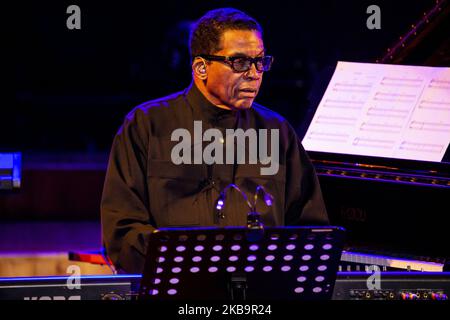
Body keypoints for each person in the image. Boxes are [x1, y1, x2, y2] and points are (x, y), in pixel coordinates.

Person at [101, 8, 329, 274]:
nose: (254, 74)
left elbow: (311, 229)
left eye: (259, 61)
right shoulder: (146, 125)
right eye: (239, 62)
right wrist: (189, 266)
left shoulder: (277, 131)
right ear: (201, 67)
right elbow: (123, 231)